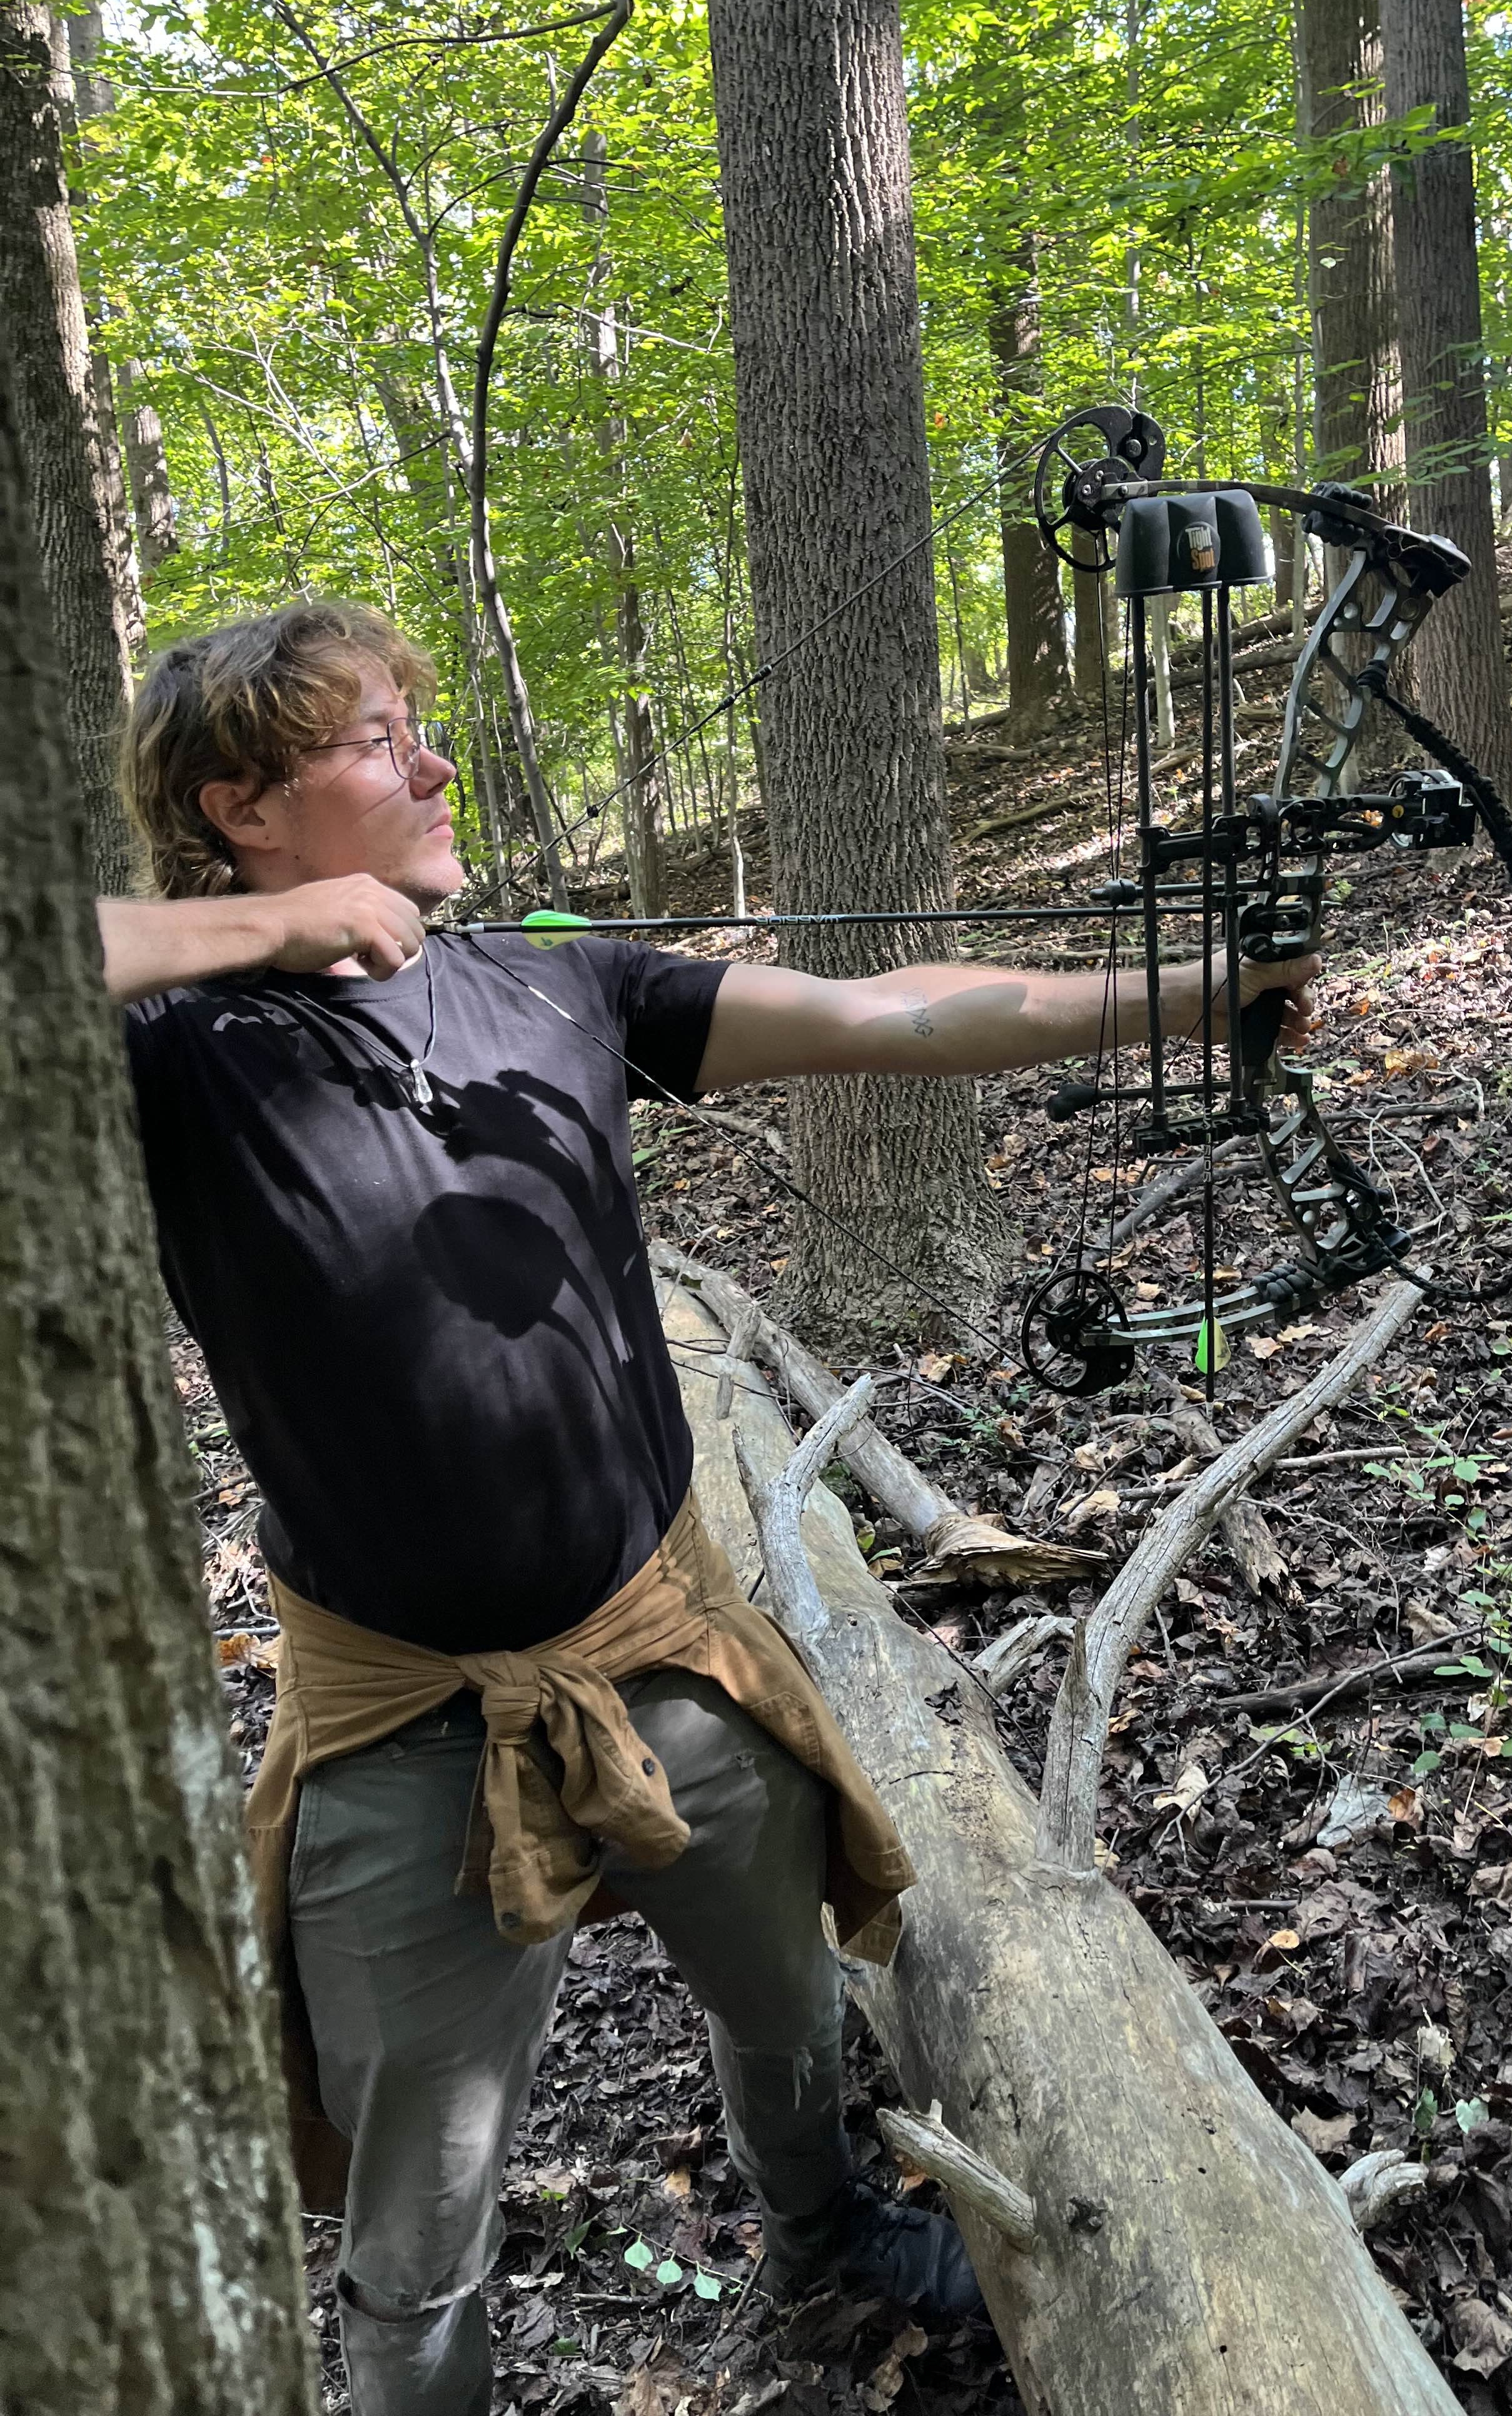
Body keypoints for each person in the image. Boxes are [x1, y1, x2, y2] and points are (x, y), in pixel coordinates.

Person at [100, 600, 1317, 2416]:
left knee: (789, 2009)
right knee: (412, 2229)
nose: (437, 760)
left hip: (666, 1644)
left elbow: (886, 1014)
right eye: (378, 737)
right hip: (403, 1720)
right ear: (241, 806)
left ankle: (819, 2238)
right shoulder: (176, 1049)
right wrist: (270, 933)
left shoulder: (550, 982)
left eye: (424, 720)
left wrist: (1192, 991)